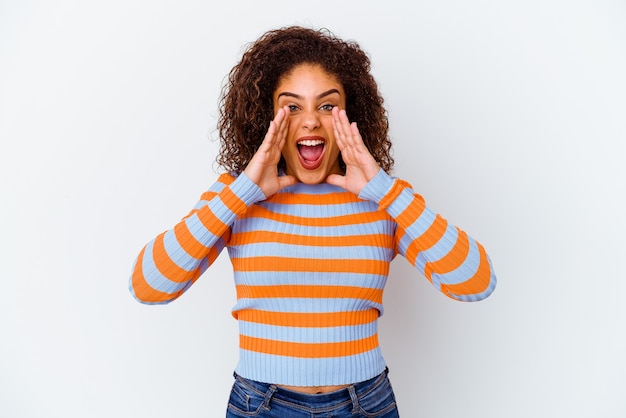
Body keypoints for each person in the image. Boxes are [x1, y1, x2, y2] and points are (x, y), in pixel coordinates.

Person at [129, 25, 497, 417]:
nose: (309, 122)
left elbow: (476, 282)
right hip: (261, 405)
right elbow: (149, 286)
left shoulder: (385, 198)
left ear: (349, 116)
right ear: (265, 116)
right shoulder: (235, 197)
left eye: (326, 105)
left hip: (366, 404)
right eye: (291, 106)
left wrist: (384, 191)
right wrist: (242, 192)